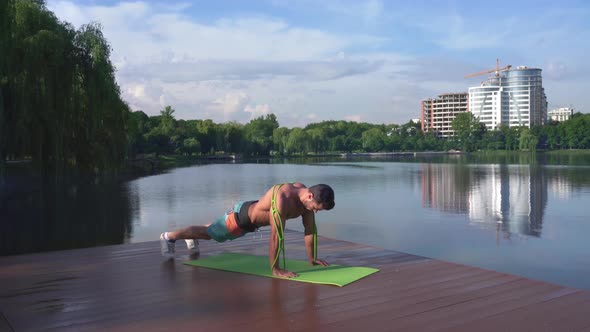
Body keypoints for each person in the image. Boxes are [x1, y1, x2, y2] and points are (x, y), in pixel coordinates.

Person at [160, 182, 335, 278]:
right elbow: (276, 237)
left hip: (251, 216)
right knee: (210, 234)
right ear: (310, 196)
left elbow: (310, 229)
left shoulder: (306, 200)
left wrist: (312, 258)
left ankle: (192, 237)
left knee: (210, 230)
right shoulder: (283, 197)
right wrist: (276, 269)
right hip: (242, 219)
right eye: (317, 207)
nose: (316, 211)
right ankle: (169, 236)